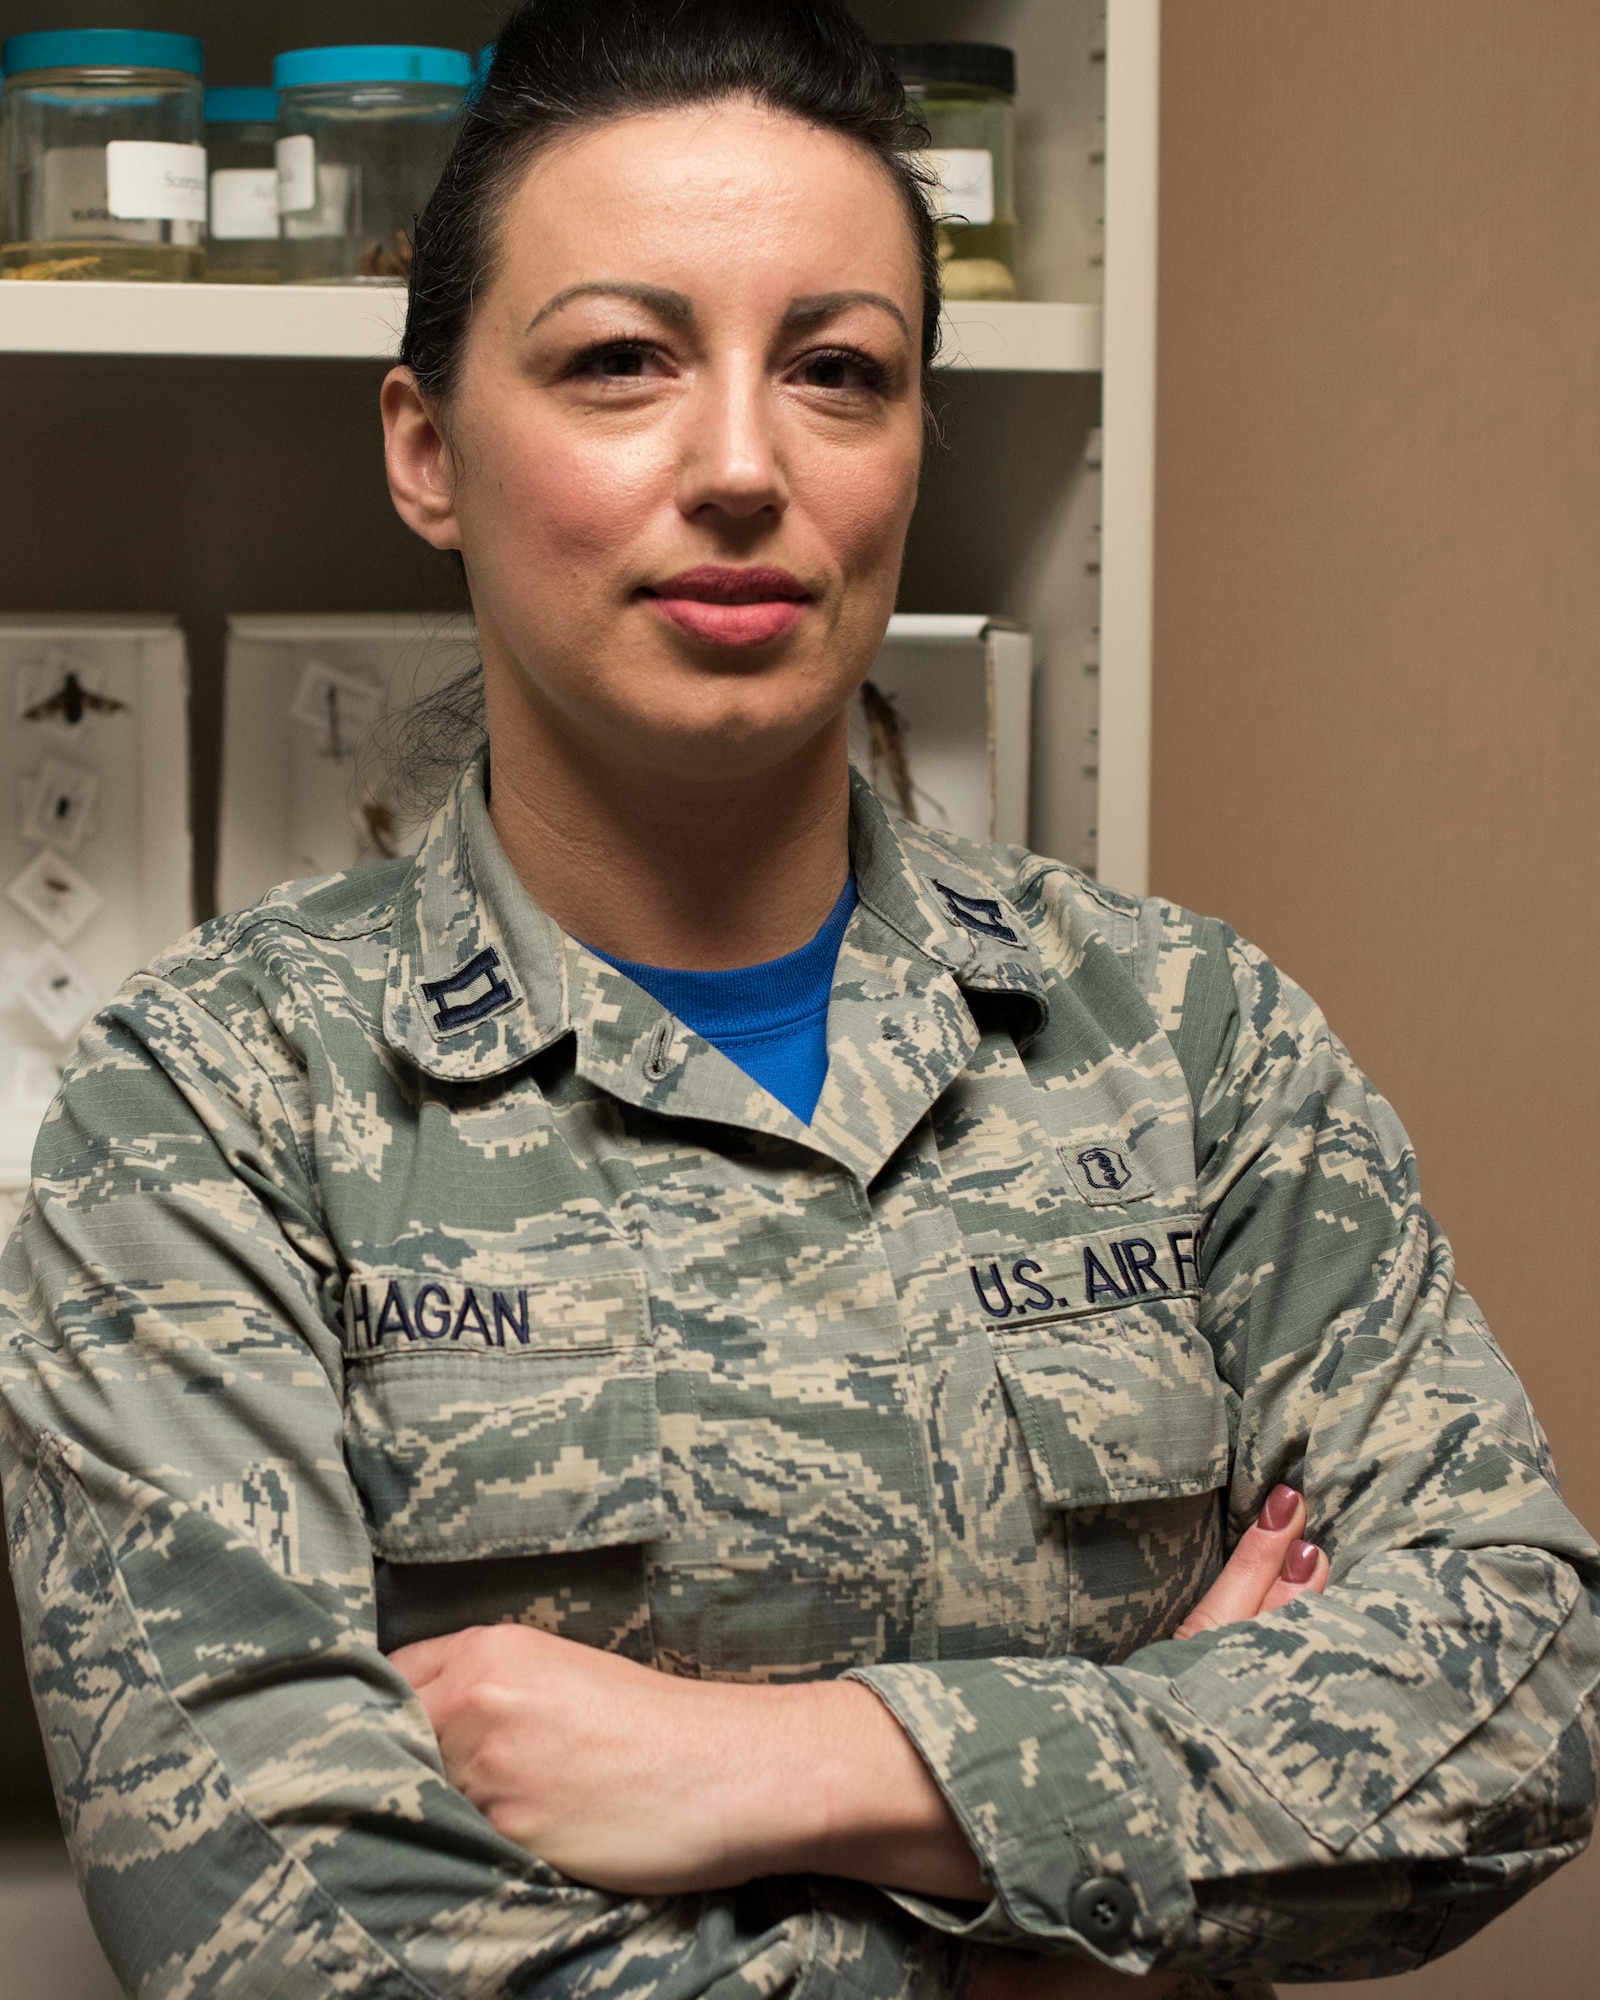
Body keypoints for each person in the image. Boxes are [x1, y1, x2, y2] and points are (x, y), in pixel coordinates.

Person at [1, 3, 1595, 1997]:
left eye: (837, 371)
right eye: (616, 364)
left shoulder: (1183, 1043)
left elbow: (1510, 1700)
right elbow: (284, 1946)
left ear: (916, 441)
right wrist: (1092, 1918)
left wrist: (788, 1763)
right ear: (425, 449)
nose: (743, 465)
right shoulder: (209, 1115)